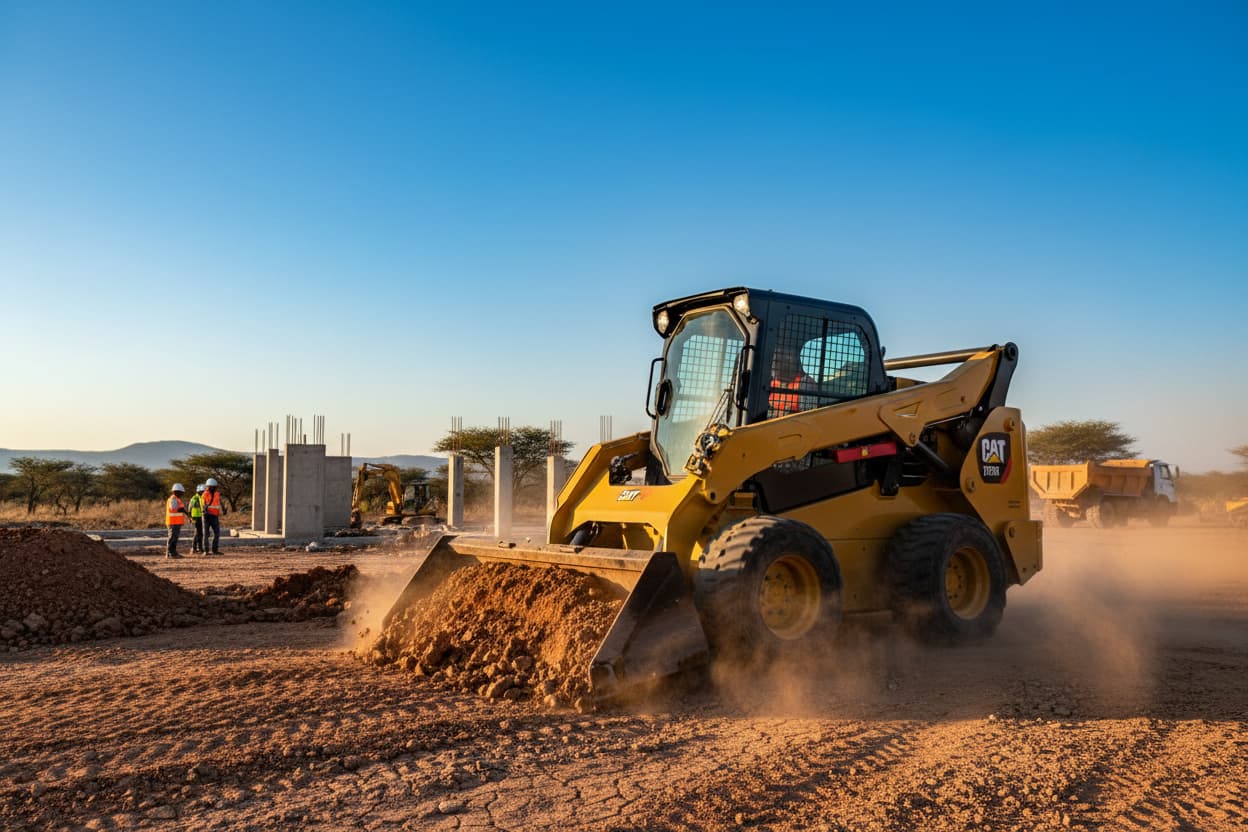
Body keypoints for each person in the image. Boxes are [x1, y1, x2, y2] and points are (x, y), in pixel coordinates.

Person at [769, 348, 809, 414]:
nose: (773, 365)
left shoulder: (805, 383)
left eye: (777, 361)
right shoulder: (771, 384)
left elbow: (809, 415)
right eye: (772, 361)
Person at [165, 483, 188, 559]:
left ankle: (173, 552)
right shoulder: (173, 499)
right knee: (172, 538)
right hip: (173, 522)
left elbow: (179, 509)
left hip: (176, 522)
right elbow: (174, 508)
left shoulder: (177, 499)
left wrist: (186, 512)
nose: (182, 494)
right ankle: (170, 553)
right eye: (181, 492)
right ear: (176, 491)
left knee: (174, 538)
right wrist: (185, 512)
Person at [202, 478, 224, 555]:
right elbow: (203, 505)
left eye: (215, 486)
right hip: (207, 516)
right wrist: (205, 511)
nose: (214, 488)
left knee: (217, 533)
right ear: (208, 487)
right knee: (206, 534)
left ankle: (215, 550)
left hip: (215, 516)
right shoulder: (205, 494)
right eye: (212, 486)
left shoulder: (217, 494)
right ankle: (206, 550)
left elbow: (217, 504)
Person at [189, 484, 206, 555]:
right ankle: (198, 548)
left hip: (198, 517)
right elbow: (190, 508)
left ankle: (195, 548)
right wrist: (190, 517)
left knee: (198, 533)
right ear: (199, 491)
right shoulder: (196, 498)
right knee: (199, 533)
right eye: (202, 491)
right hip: (196, 517)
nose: (203, 492)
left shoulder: (198, 497)